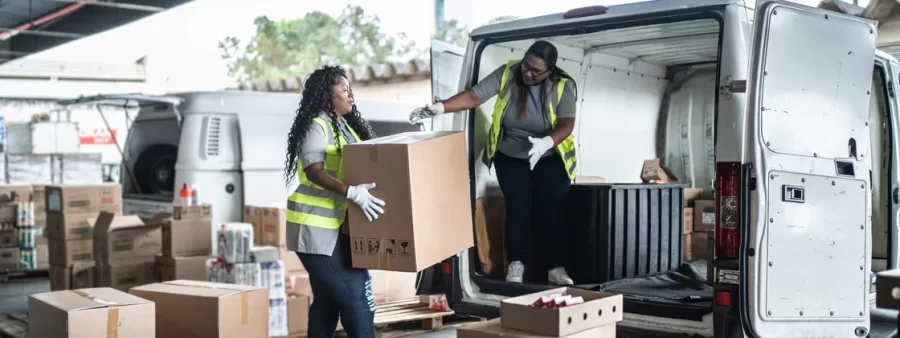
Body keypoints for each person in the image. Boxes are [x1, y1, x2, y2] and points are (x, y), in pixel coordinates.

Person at [409, 40, 577, 285]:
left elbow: (566, 123)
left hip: (549, 155)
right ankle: (516, 264)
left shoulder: (563, 85)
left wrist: (546, 143)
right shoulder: (509, 72)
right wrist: (440, 107)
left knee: (550, 210)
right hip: (510, 155)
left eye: (536, 71)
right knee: (518, 209)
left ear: (549, 72)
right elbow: (474, 95)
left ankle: (554, 267)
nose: (528, 73)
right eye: (526, 66)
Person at [284, 65, 385, 338]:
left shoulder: (343, 126)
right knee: (358, 298)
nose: (351, 93)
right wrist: (352, 192)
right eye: (344, 89)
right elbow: (314, 170)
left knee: (328, 304)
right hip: (315, 230)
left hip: (336, 229)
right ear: (329, 96)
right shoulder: (316, 125)